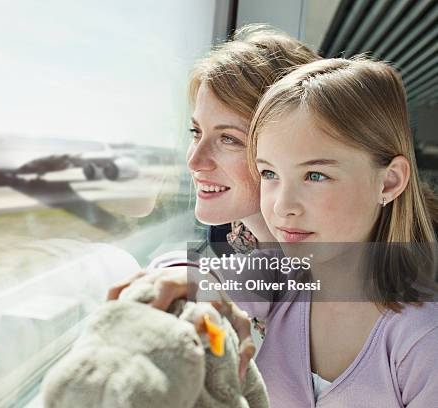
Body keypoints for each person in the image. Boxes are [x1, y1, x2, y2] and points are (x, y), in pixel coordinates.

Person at [107, 24, 320, 379]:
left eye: (229, 139)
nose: (195, 160)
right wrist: (183, 273)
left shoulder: (339, 270)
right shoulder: (235, 240)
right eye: (197, 133)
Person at [239, 57, 438, 407]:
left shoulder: (423, 339)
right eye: (269, 174)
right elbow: (202, 276)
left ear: (389, 181)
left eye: (315, 176)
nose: (284, 205)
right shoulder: (277, 281)